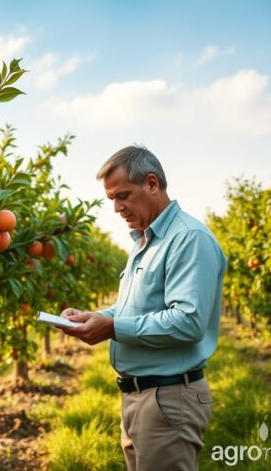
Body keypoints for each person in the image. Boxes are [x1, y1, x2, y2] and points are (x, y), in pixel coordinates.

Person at [57, 145, 227, 471]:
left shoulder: (188, 239)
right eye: (111, 200)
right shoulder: (145, 242)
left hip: (168, 398)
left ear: (152, 184)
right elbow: (132, 309)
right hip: (141, 398)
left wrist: (112, 328)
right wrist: (97, 317)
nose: (118, 208)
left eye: (123, 196)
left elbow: (187, 321)